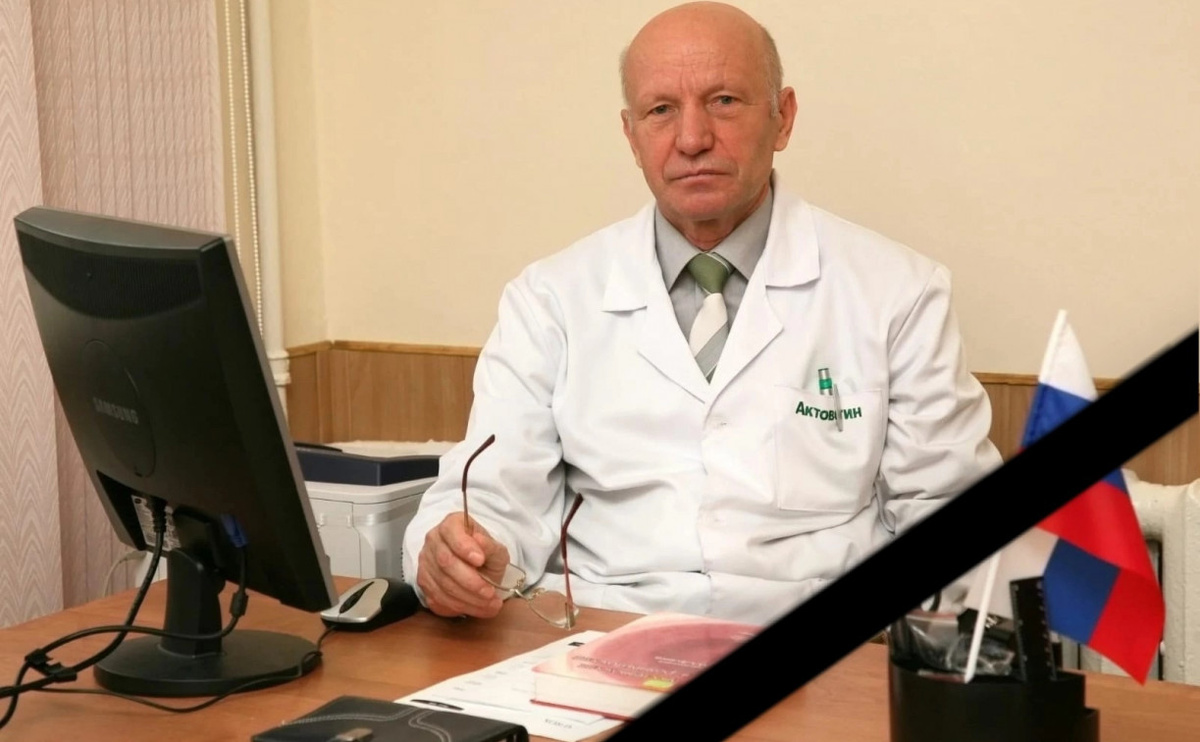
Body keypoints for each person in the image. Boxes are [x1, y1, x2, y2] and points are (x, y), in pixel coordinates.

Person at [401, 1, 1002, 626]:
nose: (692, 139)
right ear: (631, 136)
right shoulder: (550, 298)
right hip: (597, 633)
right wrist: (456, 555)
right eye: (661, 110)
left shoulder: (898, 291)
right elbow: (490, 495)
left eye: (724, 101)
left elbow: (950, 510)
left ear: (783, 117)